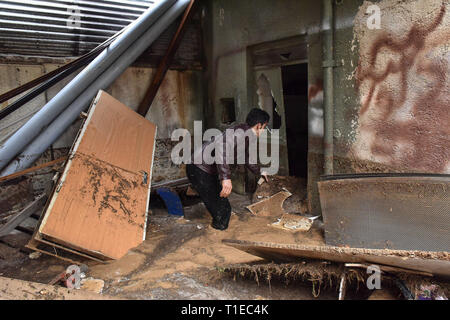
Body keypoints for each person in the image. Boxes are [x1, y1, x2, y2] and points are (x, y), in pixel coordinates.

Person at [186, 108, 270, 230]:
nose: (264, 131)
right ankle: (214, 237)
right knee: (222, 211)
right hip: (198, 168)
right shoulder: (239, 132)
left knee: (223, 207)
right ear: (259, 125)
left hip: (205, 170)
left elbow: (247, 157)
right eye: (265, 127)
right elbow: (221, 147)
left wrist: (259, 171)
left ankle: (217, 226)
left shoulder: (248, 136)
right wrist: (225, 178)